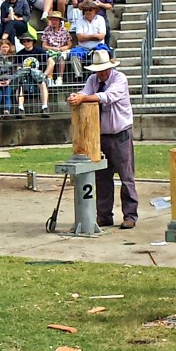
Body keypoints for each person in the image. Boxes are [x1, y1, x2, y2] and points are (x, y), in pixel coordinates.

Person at [67, 50, 138, 229]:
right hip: (101, 136)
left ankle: (130, 215)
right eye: (98, 70)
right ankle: (104, 215)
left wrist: (82, 97)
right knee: (102, 177)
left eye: (104, 70)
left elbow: (107, 97)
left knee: (126, 176)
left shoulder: (120, 79)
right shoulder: (93, 80)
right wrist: (77, 96)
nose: (101, 74)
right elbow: (85, 92)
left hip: (120, 133)